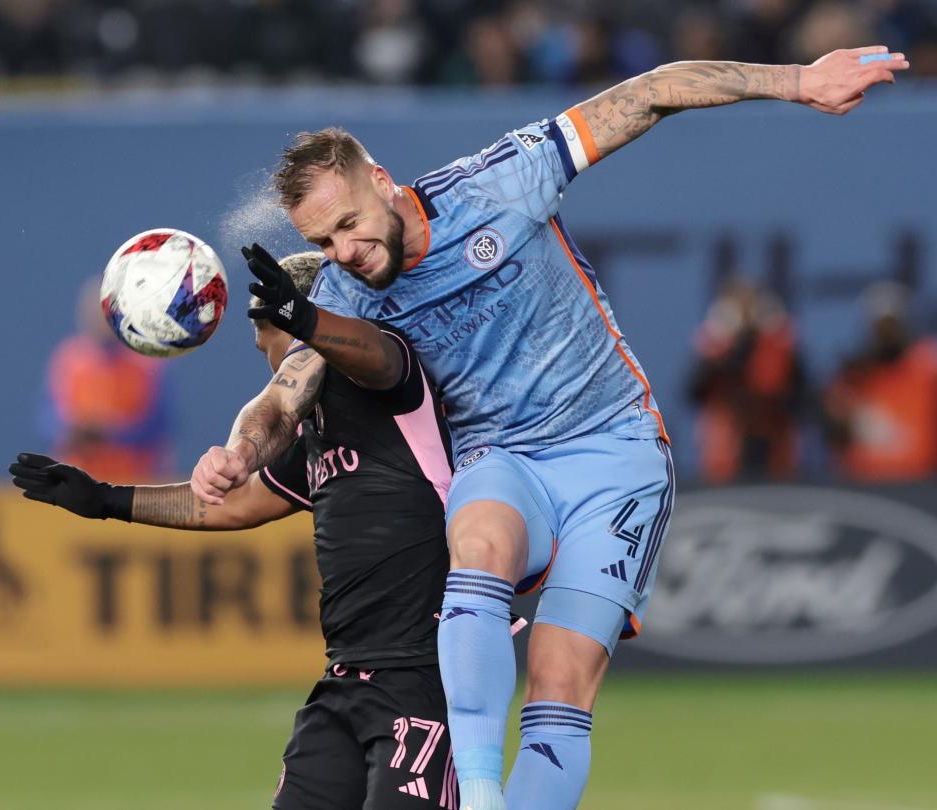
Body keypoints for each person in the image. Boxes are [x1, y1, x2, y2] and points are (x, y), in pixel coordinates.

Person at [190, 47, 910, 810]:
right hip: (503, 458)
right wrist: (237, 451)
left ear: (381, 182)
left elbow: (651, 92)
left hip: (617, 453)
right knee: (479, 547)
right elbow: (286, 395)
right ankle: (479, 797)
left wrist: (797, 82)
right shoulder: (343, 293)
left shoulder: (501, 183)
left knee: (561, 685)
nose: (345, 252)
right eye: (324, 241)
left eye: (349, 226)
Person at [11, 252, 473, 810]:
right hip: (346, 677)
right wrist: (107, 499)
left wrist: (305, 327)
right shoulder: (317, 434)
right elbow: (238, 505)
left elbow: (302, 390)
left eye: (267, 336)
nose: (265, 353)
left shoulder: (393, 383)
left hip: (423, 672)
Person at [40, 276, 175, 482]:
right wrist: (72, 431)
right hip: (78, 485)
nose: (100, 319)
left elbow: (160, 426)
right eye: (95, 311)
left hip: (135, 488)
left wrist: (110, 433)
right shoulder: (69, 360)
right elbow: (47, 420)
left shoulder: (146, 362)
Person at [687, 277, 806, 483]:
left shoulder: (776, 344)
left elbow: (792, 393)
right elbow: (694, 391)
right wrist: (722, 348)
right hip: (724, 450)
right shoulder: (717, 346)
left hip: (771, 445)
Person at [822, 280, 937, 481]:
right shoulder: (852, 377)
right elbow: (834, 432)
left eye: (891, 325)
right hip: (866, 486)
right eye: (879, 326)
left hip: (920, 485)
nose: (886, 334)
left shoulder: (926, 371)